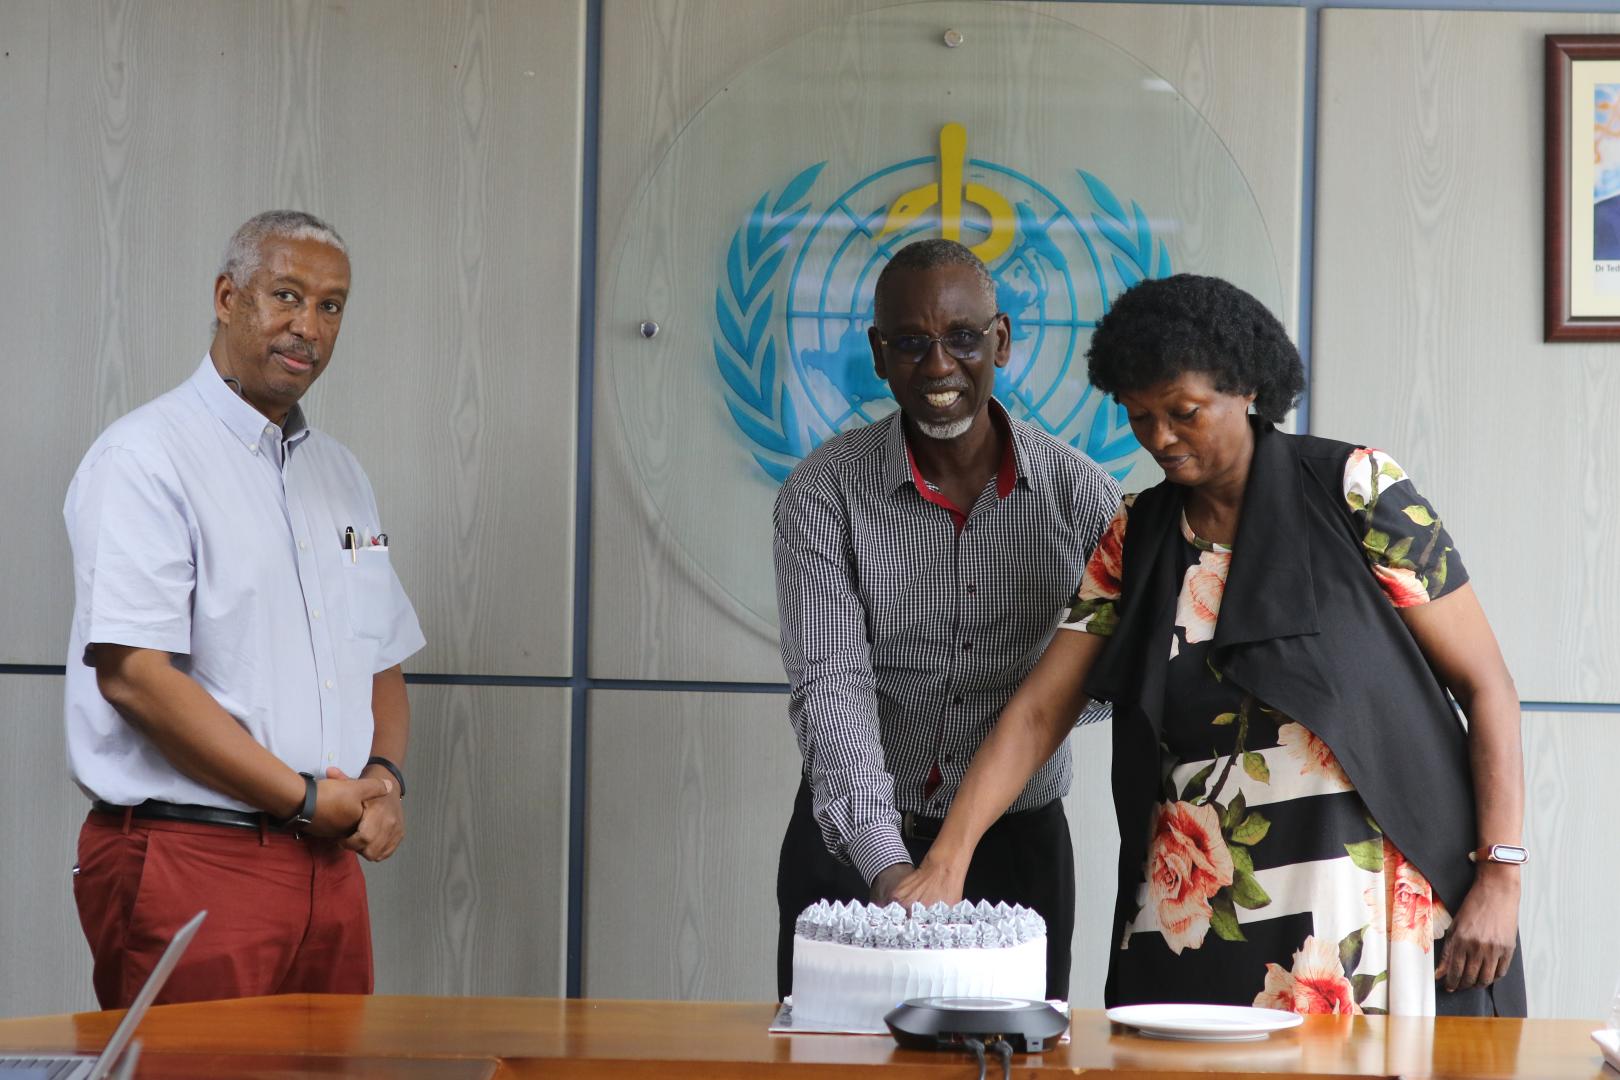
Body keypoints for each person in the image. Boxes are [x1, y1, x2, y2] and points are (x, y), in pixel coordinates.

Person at [891, 273, 1526, 1017]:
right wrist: (946, 859)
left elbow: (1487, 687)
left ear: (1247, 387)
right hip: (1201, 915)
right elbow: (1038, 714)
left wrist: (1502, 874)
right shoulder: (1136, 536)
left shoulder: (1358, 489)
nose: (1160, 437)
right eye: (1140, 418)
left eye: (1183, 413)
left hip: (1362, 914)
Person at [63, 210, 426, 1008]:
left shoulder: (339, 473)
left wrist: (385, 781)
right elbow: (134, 677)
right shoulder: (144, 457)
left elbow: (380, 654)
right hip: (194, 854)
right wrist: (299, 796)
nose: (308, 327)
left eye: (331, 306)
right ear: (228, 298)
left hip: (328, 865)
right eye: (286, 296)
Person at [772, 238, 1120, 1001]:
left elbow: (1124, 669)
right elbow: (831, 685)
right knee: (837, 1058)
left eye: (963, 338)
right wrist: (889, 868)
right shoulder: (822, 492)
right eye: (911, 342)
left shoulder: (1082, 496)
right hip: (856, 840)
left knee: (1010, 1057)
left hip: (1019, 848)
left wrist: (1042, 708)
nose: (937, 366)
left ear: (1000, 339)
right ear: (877, 351)